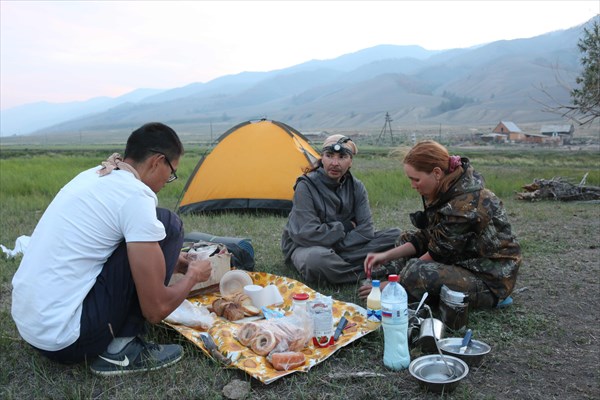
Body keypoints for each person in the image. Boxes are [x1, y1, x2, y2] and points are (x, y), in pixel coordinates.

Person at [11, 122, 212, 375]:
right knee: (167, 224)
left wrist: (175, 260)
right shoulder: (136, 195)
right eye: (171, 173)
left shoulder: (95, 175)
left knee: (150, 232)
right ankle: (121, 349)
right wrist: (194, 275)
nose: (167, 180)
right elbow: (155, 310)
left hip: (32, 327)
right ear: (157, 162)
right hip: (67, 340)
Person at [359, 140, 521, 309]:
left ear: (436, 173)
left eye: (416, 179)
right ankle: (391, 274)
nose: (413, 186)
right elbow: (429, 235)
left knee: (419, 271)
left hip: (489, 280)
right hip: (463, 259)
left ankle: (395, 282)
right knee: (406, 239)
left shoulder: (465, 205)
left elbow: (438, 252)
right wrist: (386, 256)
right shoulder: (449, 190)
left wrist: (392, 286)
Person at [281, 134, 401, 284]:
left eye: (342, 157)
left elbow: (366, 230)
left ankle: (343, 265)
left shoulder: (357, 187)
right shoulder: (305, 186)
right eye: (329, 156)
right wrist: (345, 227)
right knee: (316, 260)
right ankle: (376, 270)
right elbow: (306, 233)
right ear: (322, 158)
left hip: (341, 247)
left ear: (350, 161)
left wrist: (337, 246)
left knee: (397, 236)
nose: (335, 163)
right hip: (308, 248)